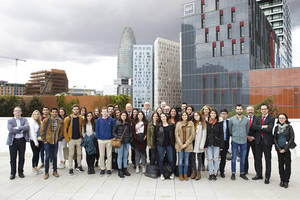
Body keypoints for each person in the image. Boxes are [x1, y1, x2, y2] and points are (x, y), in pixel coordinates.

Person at [252, 104, 275, 184]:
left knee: (267, 160)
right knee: (258, 159)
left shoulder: (271, 118)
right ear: (261, 110)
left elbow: (269, 129)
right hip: (258, 141)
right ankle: (259, 174)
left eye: (265, 109)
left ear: (267, 110)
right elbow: (254, 127)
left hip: (267, 142)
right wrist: (263, 127)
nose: (263, 110)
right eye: (262, 109)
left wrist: (260, 127)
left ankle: (267, 177)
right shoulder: (257, 118)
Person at [40, 108, 64, 179]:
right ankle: (46, 173)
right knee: (47, 157)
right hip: (47, 141)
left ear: (57, 113)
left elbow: (61, 131)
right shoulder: (46, 120)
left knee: (55, 157)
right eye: (53, 112)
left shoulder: (59, 121)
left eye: (55, 112)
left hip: (55, 141)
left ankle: (55, 171)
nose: (54, 113)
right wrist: (44, 140)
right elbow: (42, 131)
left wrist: (59, 138)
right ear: (50, 113)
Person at [7, 106, 30, 180]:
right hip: (13, 141)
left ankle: (21, 172)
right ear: (13, 112)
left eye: (19, 111)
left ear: (21, 112)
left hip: (22, 140)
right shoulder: (10, 121)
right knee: (13, 158)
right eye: (16, 111)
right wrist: (21, 128)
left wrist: (17, 128)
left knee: (21, 157)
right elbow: (10, 130)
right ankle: (13, 173)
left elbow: (27, 127)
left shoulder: (24, 119)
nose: (17, 112)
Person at [274, 113, 296, 188]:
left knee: (287, 165)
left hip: (287, 149)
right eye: (280, 118)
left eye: (283, 118)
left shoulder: (289, 127)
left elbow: (292, 138)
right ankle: (282, 180)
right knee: (280, 165)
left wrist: (285, 149)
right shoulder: (276, 127)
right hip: (279, 150)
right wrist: (279, 149)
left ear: (286, 119)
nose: (281, 119)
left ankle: (286, 181)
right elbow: (275, 139)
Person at [228, 105, 250, 181]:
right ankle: (233, 173)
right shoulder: (231, 119)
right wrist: (234, 135)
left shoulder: (247, 120)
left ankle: (242, 173)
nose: (239, 110)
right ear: (236, 110)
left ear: (242, 110)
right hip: (235, 140)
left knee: (243, 158)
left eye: (240, 109)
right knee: (233, 158)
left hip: (244, 141)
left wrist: (244, 135)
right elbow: (230, 130)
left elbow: (247, 130)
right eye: (238, 109)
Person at [64, 104, 84, 175]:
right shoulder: (67, 118)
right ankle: (70, 168)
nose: (76, 110)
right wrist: (67, 139)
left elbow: (82, 128)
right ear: (72, 110)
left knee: (79, 154)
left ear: (79, 110)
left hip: (79, 139)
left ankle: (79, 166)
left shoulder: (81, 118)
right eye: (74, 109)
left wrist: (82, 138)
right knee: (71, 154)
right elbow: (64, 130)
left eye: (77, 109)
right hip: (71, 139)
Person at [175, 111, 195, 181]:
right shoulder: (178, 123)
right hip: (180, 145)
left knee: (186, 161)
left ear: (187, 116)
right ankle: (180, 174)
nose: (184, 117)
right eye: (183, 115)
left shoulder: (191, 123)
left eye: (185, 115)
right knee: (180, 161)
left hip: (188, 145)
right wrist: (181, 144)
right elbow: (176, 135)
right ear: (181, 116)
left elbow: (192, 135)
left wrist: (186, 144)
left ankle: (185, 174)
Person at [205, 108, 223, 181]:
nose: (213, 115)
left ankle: (215, 173)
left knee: (216, 159)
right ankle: (210, 173)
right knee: (209, 159)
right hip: (209, 144)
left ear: (216, 115)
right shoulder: (206, 123)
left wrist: (221, 145)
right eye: (211, 113)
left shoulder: (219, 123)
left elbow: (221, 134)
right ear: (209, 114)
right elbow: (205, 134)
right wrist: (205, 145)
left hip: (216, 144)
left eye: (214, 113)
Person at [96, 107, 115, 175]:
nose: (104, 113)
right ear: (101, 113)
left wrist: (112, 137)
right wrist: (98, 138)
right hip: (101, 140)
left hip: (109, 140)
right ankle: (102, 168)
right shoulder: (98, 120)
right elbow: (97, 129)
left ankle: (109, 169)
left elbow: (113, 129)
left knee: (109, 155)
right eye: (103, 111)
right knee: (102, 155)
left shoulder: (111, 120)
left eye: (105, 111)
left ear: (107, 112)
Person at [156, 113, 175, 180]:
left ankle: (172, 173)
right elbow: (156, 136)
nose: (163, 118)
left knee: (171, 159)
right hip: (160, 145)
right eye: (161, 117)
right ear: (160, 118)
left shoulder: (171, 125)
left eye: (164, 116)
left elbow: (173, 135)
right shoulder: (158, 126)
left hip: (169, 145)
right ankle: (161, 174)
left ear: (166, 117)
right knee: (161, 159)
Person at [113, 111, 132, 178]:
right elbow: (114, 132)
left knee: (125, 156)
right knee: (120, 156)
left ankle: (125, 169)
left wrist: (129, 138)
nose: (124, 116)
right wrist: (117, 138)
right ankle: (120, 170)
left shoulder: (128, 123)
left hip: (126, 142)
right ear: (120, 116)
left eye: (125, 115)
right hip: (120, 142)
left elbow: (130, 132)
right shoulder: (117, 123)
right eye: (122, 115)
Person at [191, 112, 207, 180]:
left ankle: (198, 172)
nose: (196, 116)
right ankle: (194, 171)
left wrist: (202, 145)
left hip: (199, 143)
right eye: (194, 115)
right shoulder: (192, 123)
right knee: (193, 158)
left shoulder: (203, 123)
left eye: (197, 115)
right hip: (192, 142)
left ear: (199, 116)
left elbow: (204, 135)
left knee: (199, 158)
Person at [29, 110, 43, 175]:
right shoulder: (32, 122)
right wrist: (36, 142)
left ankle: (36, 167)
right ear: (33, 115)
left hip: (40, 140)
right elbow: (32, 133)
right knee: (35, 154)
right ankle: (33, 168)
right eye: (35, 114)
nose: (36, 115)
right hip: (34, 141)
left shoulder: (40, 122)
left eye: (37, 114)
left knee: (37, 154)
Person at [245, 106, 257, 175]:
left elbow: (258, 129)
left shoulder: (257, 119)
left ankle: (258, 171)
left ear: (253, 111)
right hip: (245, 140)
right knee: (245, 156)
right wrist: (247, 136)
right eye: (249, 110)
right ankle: (245, 171)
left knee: (256, 156)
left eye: (251, 110)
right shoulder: (243, 118)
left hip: (255, 140)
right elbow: (242, 129)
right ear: (246, 111)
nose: (250, 111)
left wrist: (253, 137)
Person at [219, 109, 230, 178]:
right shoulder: (218, 122)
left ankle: (222, 171)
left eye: (225, 114)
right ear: (220, 114)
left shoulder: (229, 122)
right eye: (222, 113)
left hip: (226, 142)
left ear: (227, 115)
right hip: (218, 142)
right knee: (216, 158)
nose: (224, 115)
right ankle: (214, 170)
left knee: (223, 158)